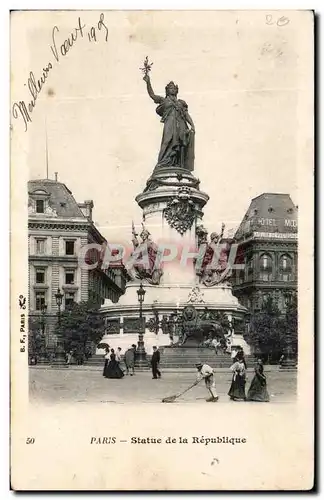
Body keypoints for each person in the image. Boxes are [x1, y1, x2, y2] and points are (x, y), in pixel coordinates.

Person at [143, 73, 195, 171]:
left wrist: (192, 125)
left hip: (181, 126)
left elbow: (186, 115)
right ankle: (162, 163)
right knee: (167, 141)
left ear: (176, 91)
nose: (172, 90)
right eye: (170, 88)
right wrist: (148, 82)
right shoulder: (164, 100)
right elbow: (152, 95)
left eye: (174, 88)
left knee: (180, 145)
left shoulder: (181, 103)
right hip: (170, 124)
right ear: (167, 90)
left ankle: (178, 165)